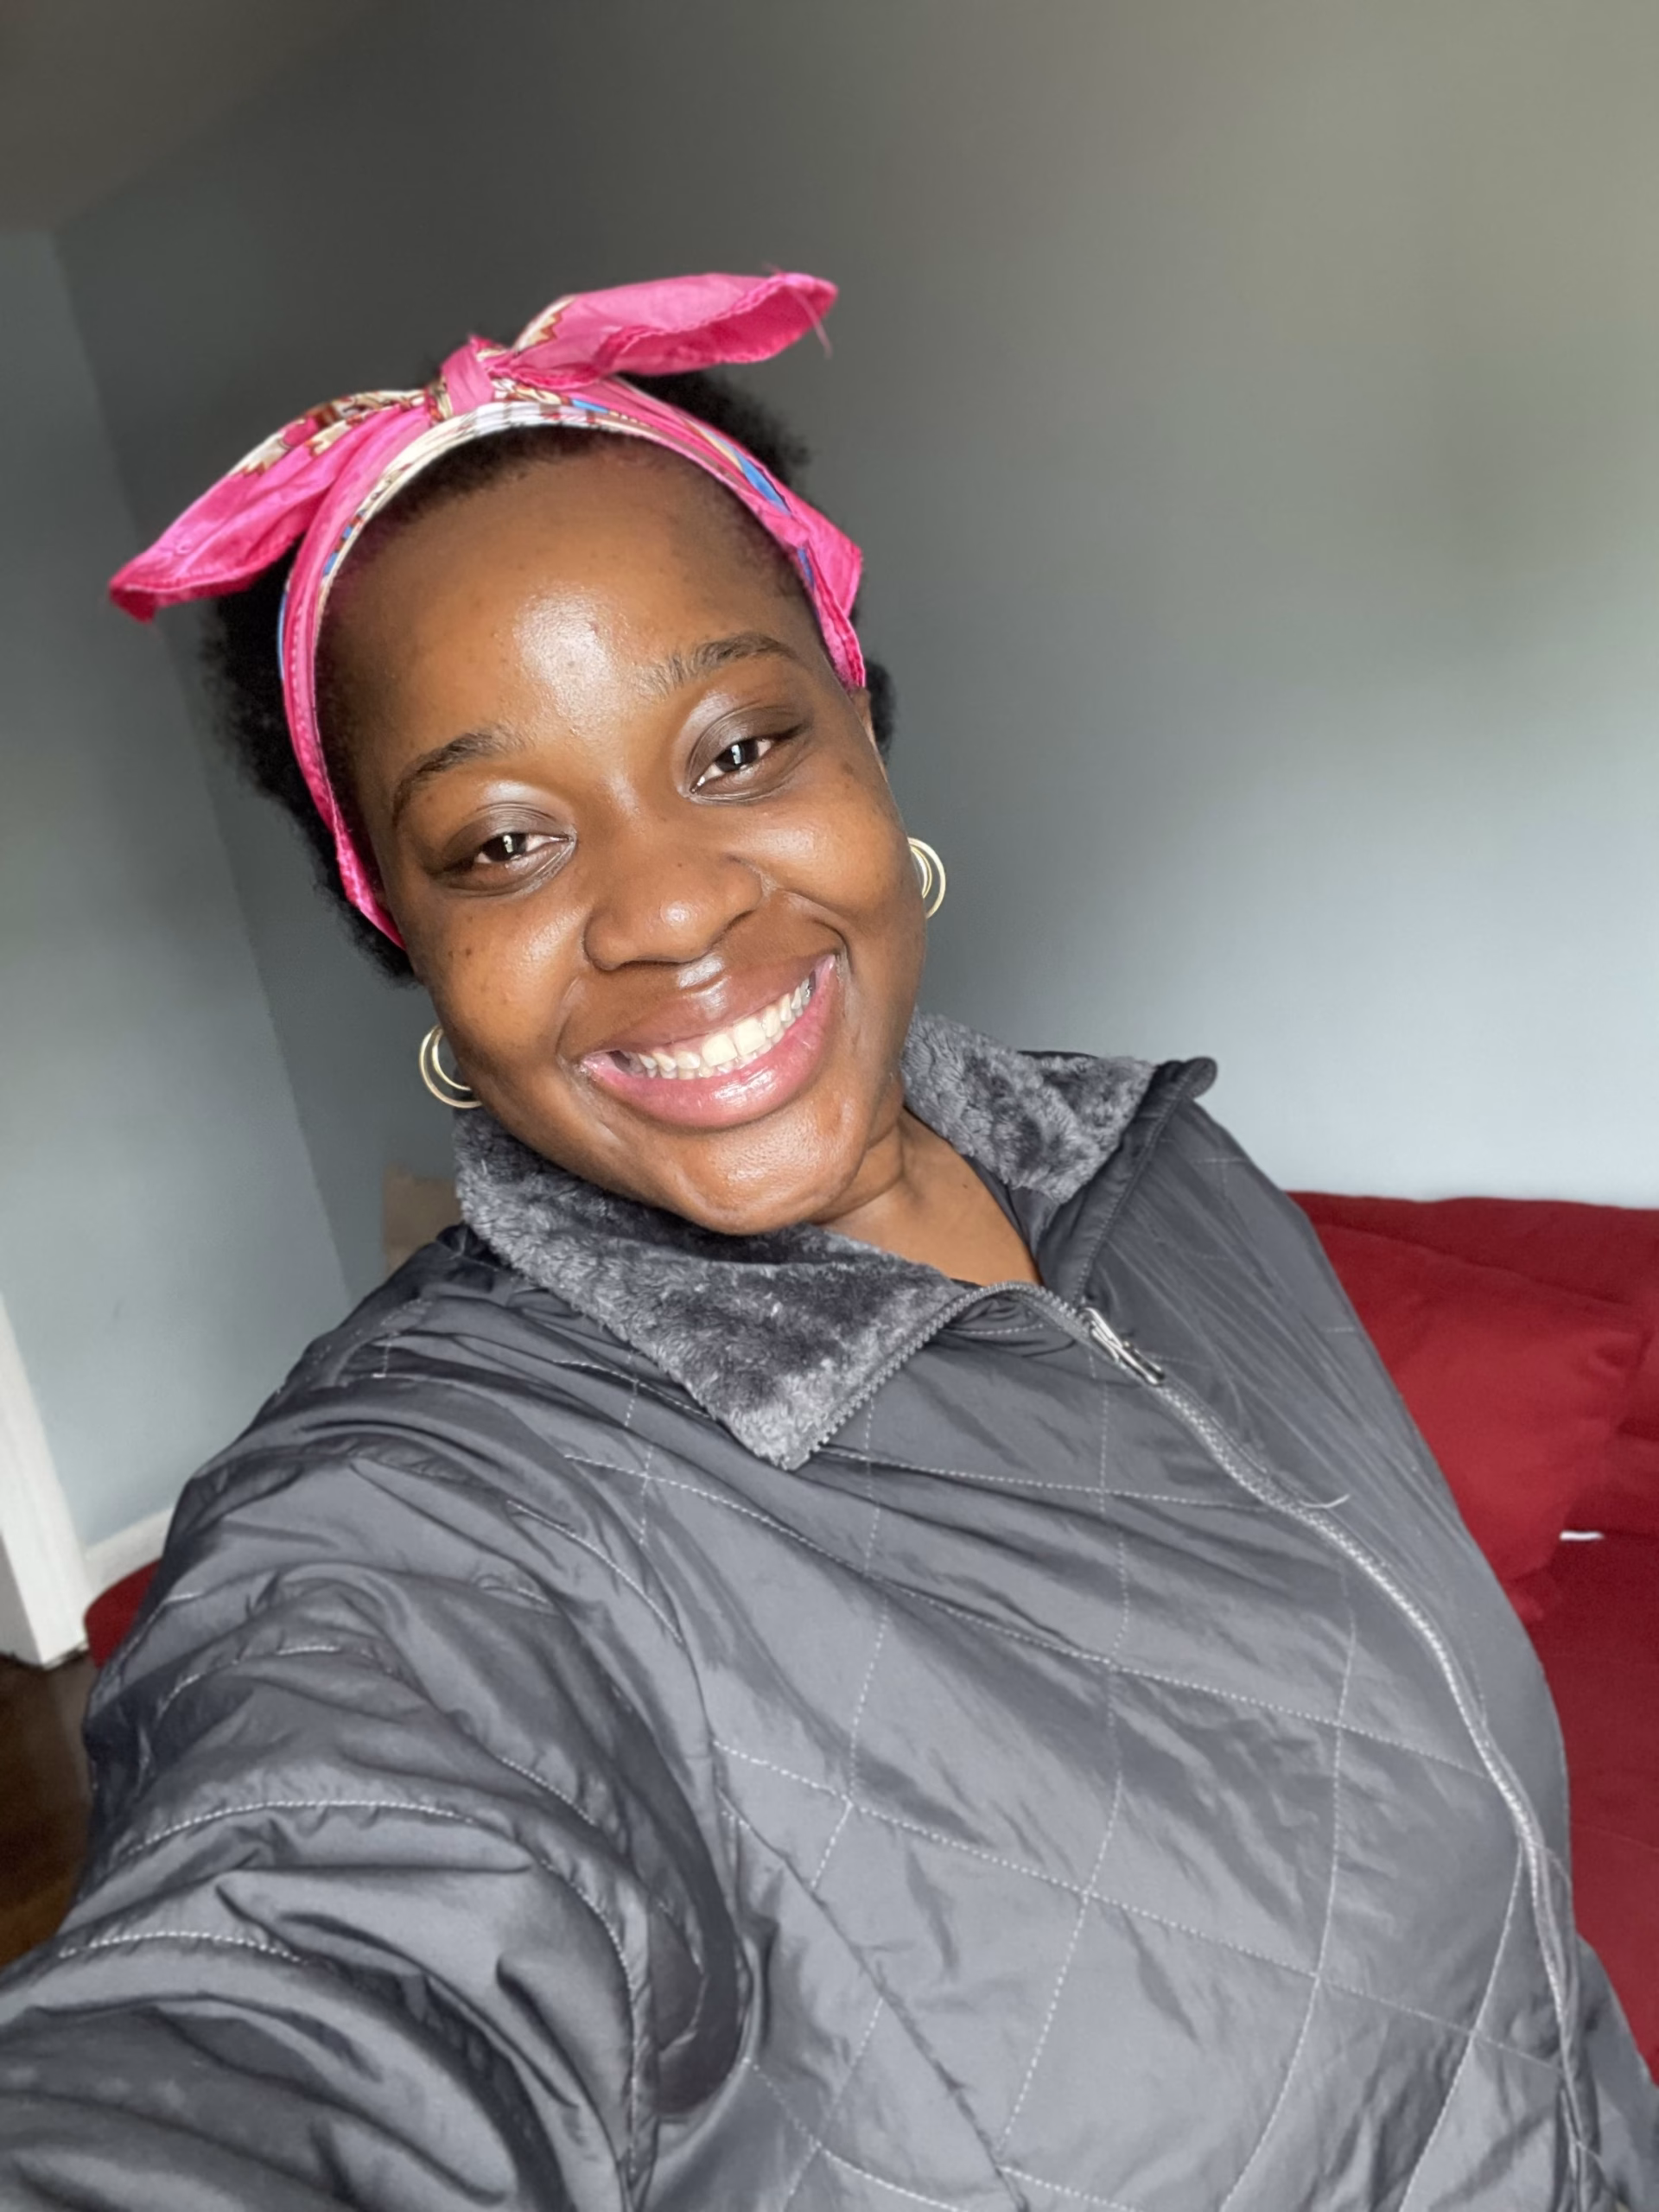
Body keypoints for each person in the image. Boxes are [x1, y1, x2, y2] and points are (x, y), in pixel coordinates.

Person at [0, 269, 1649, 2212]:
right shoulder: (411, 1530)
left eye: (736, 748)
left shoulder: (1151, 1163)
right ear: (407, 933)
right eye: (505, 841)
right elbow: (289, 1997)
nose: (671, 908)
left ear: (863, 734)